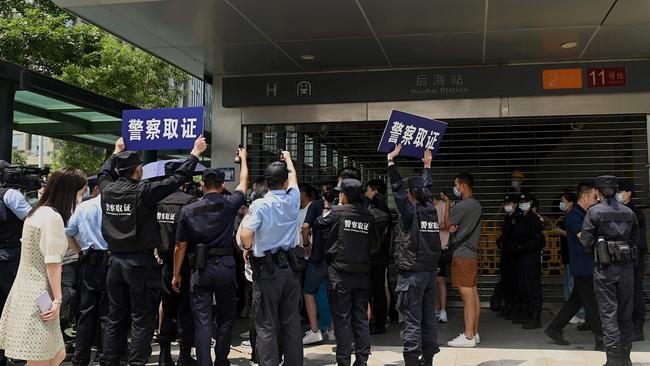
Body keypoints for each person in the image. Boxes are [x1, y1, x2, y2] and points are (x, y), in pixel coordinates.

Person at [99, 136, 206, 366]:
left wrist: (115, 154)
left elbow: (103, 174)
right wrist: (195, 154)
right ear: (138, 169)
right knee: (142, 318)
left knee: (115, 318)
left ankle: (109, 362)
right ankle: (137, 362)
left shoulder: (106, 190)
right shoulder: (143, 192)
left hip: (114, 262)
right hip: (139, 263)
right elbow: (177, 178)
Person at [0, 167, 88, 366]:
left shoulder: (37, 211)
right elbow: (53, 262)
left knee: (56, 355)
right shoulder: (52, 217)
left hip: (28, 292)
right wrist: (57, 299)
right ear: (69, 192)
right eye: (81, 193)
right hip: (41, 297)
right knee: (44, 357)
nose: (81, 198)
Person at [173, 148, 248, 366]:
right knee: (225, 318)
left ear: (202, 185)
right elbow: (243, 183)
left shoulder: (189, 210)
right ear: (222, 185)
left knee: (202, 321)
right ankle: (222, 361)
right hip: (225, 267)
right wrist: (243, 159)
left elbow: (180, 245)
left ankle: (204, 362)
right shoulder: (230, 204)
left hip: (200, 269)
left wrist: (177, 273)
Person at [239, 152, 303, 366]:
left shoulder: (260, 205)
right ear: (284, 182)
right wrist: (288, 160)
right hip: (291, 270)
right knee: (291, 322)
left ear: (266, 182)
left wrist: (248, 249)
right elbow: (294, 180)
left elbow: (245, 235)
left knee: (266, 323)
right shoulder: (293, 199)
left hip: (267, 271)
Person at [387, 146, 442, 366]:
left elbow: (398, 190)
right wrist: (426, 165)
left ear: (410, 194)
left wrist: (391, 162)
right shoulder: (430, 207)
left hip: (412, 275)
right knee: (428, 318)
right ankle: (427, 361)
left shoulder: (411, 211)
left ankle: (411, 361)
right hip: (429, 273)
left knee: (410, 319)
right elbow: (426, 187)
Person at [580, 176, 639, 366]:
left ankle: (613, 361)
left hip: (605, 268)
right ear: (616, 190)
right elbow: (636, 241)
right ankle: (625, 359)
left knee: (608, 315)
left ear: (597, 191)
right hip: (627, 268)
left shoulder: (594, 212)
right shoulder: (629, 212)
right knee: (625, 315)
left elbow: (586, 243)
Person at [315, 179, 373, 366]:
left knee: (342, 320)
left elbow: (319, 223)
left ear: (345, 195)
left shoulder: (338, 212)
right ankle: (362, 360)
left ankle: (343, 361)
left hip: (340, 274)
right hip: (362, 273)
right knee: (360, 318)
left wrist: (327, 206)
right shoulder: (368, 215)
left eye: (340, 192)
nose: (339, 195)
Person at [545, 183, 603, 349]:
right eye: (594, 197)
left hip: (587, 265)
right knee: (592, 303)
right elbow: (585, 237)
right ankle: (601, 340)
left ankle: (554, 328)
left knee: (576, 300)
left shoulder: (585, 213)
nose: (596, 200)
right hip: (582, 266)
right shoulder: (575, 215)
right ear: (585, 196)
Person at [156, 161, 200, 366]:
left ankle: (164, 355)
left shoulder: (156, 201)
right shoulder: (191, 202)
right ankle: (184, 355)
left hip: (164, 261)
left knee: (167, 306)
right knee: (186, 309)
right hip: (186, 262)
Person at [65, 177, 111, 366]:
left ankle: (81, 357)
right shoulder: (115, 207)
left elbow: (69, 232)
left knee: (85, 312)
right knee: (108, 314)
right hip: (111, 260)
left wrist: (80, 252)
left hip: (88, 260)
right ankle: (105, 355)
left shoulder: (83, 207)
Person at [443, 172, 482, 347]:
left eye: (456, 185)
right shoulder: (476, 205)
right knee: (473, 294)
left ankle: (468, 337)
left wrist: (446, 205)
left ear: (463, 186)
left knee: (467, 297)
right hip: (471, 253)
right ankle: (474, 332)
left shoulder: (463, 205)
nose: (455, 188)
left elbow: (446, 225)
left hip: (462, 254)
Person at [0, 160, 33, 366]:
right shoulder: (11, 194)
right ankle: (18, 352)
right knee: (15, 305)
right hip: (9, 256)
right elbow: (31, 218)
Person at [302, 183, 333, 344]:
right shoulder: (343, 206)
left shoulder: (315, 205)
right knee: (333, 293)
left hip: (318, 257)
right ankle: (333, 329)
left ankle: (315, 330)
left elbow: (305, 227)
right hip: (335, 259)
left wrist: (306, 244)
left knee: (308, 291)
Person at [616, 179, 647, 342]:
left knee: (635, 292)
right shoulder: (619, 209)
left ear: (628, 193)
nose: (617, 194)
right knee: (624, 294)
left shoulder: (634, 212)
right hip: (622, 259)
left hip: (634, 259)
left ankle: (637, 328)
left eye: (620, 191)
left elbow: (639, 240)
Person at [511, 193, 544, 330]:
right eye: (521, 201)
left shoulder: (534, 219)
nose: (522, 204)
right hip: (520, 256)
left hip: (531, 257)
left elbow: (538, 240)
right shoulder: (519, 218)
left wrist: (523, 246)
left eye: (525, 201)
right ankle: (527, 314)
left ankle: (535, 317)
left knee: (532, 286)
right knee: (522, 285)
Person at [553, 192, 587, 325]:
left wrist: (560, 231)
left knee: (573, 286)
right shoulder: (568, 216)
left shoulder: (574, 216)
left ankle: (579, 314)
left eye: (563, 201)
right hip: (568, 257)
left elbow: (577, 235)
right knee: (569, 285)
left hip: (575, 259)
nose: (561, 204)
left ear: (571, 202)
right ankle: (574, 315)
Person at [365, 179, 392, 334]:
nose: (366, 193)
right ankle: (381, 321)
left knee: (372, 291)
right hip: (382, 258)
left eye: (368, 190)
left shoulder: (372, 214)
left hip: (372, 258)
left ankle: (374, 321)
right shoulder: (386, 213)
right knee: (380, 290)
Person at [496, 194, 521, 320]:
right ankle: (507, 306)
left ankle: (514, 308)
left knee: (514, 282)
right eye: (505, 204)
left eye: (509, 203)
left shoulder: (518, 217)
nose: (506, 206)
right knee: (506, 282)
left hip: (514, 255)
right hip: (505, 253)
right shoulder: (507, 217)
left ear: (515, 204)